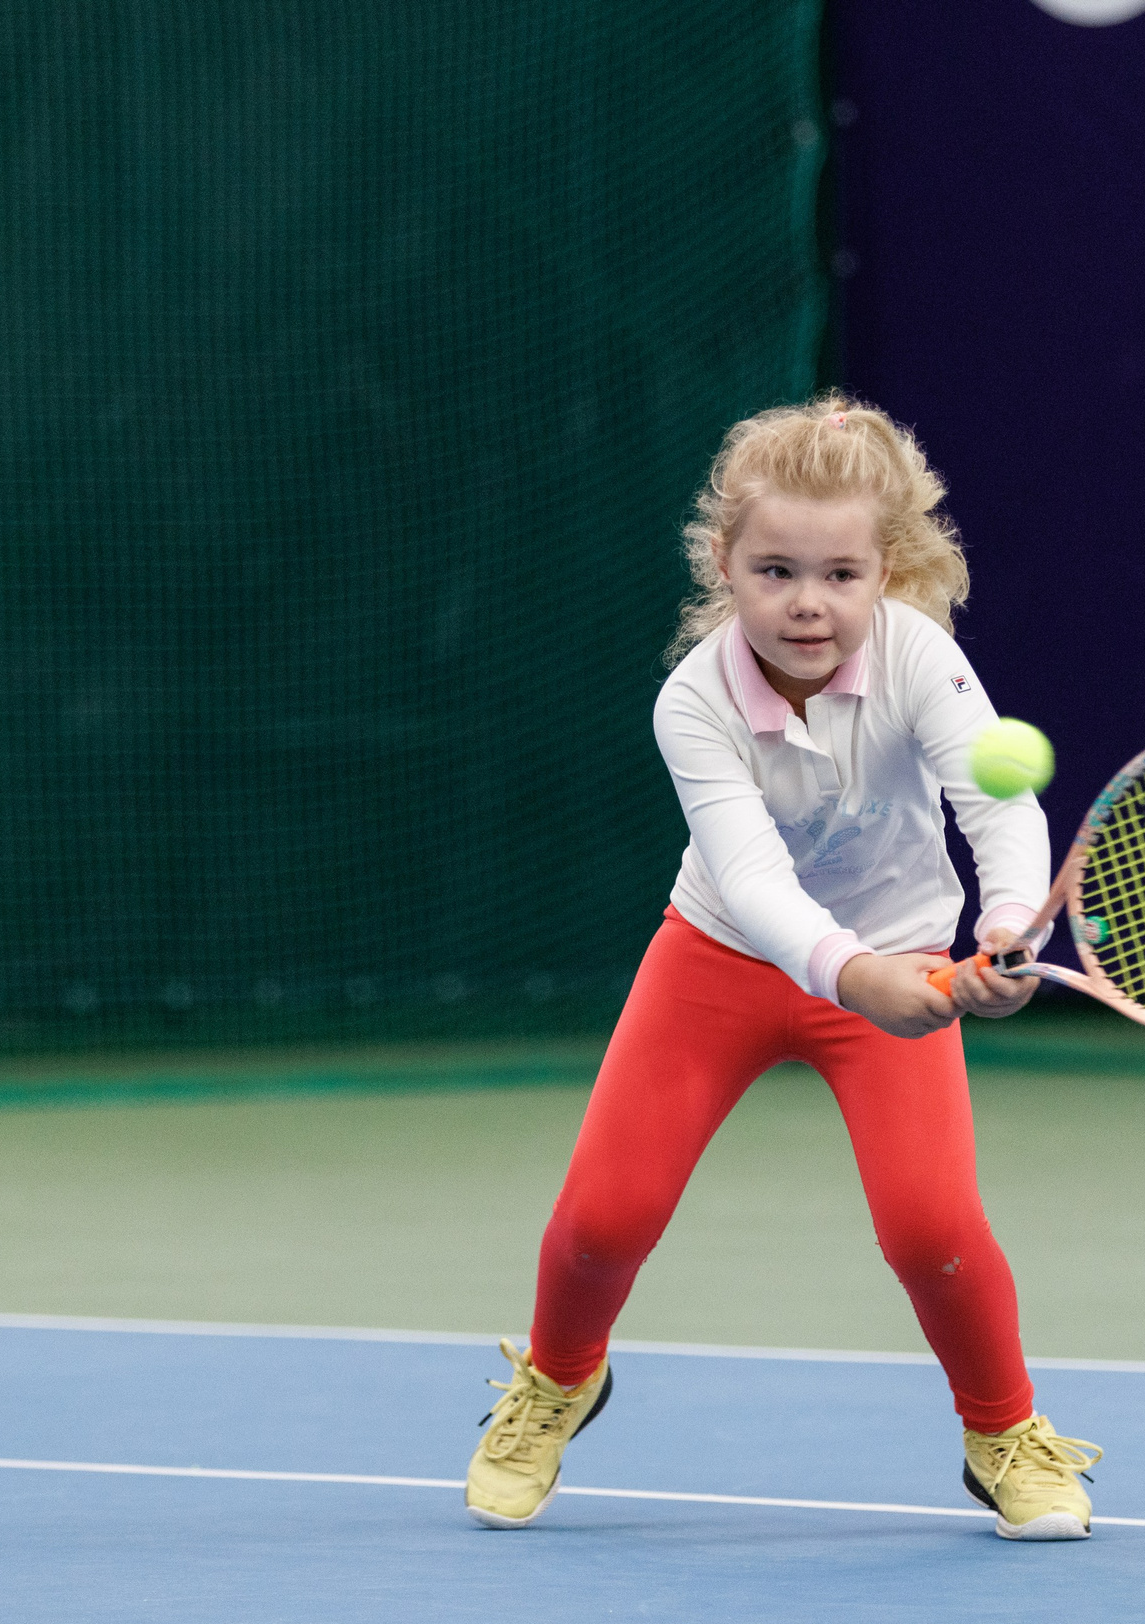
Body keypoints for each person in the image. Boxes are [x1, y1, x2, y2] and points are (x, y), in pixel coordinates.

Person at [463, 394, 1101, 1540]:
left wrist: (1007, 925)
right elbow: (751, 882)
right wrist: (853, 975)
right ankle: (557, 1379)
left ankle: (1004, 1431)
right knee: (604, 1216)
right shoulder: (692, 701)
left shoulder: (923, 660)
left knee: (930, 1228)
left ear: (885, 571)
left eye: (841, 574)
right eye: (775, 570)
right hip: (721, 957)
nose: (808, 602)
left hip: (904, 956)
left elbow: (996, 800)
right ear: (725, 563)